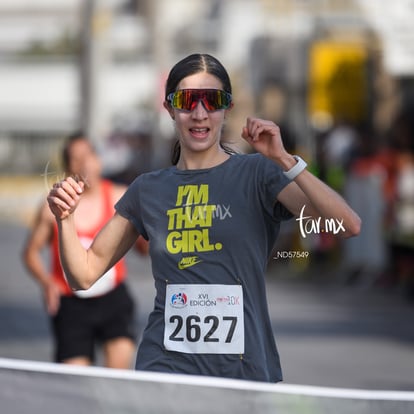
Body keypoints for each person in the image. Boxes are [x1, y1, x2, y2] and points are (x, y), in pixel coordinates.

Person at [46, 54, 361, 382]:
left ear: (227, 107)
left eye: (211, 101)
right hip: (165, 371)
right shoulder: (147, 190)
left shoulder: (258, 174)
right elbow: (83, 275)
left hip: (244, 370)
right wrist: (65, 219)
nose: (199, 113)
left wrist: (284, 160)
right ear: (169, 108)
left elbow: (347, 226)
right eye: (186, 101)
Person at [23, 132, 140, 368]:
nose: (85, 163)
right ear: (68, 167)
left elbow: (143, 248)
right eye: (77, 159)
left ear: (98, 160)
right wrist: (46, 283)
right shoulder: (53, 208)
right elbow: (30, 253)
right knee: (75, 384)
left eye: (89, 155)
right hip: (71, 303)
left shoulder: (120, 197)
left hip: (112, 299)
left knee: (119, 375)